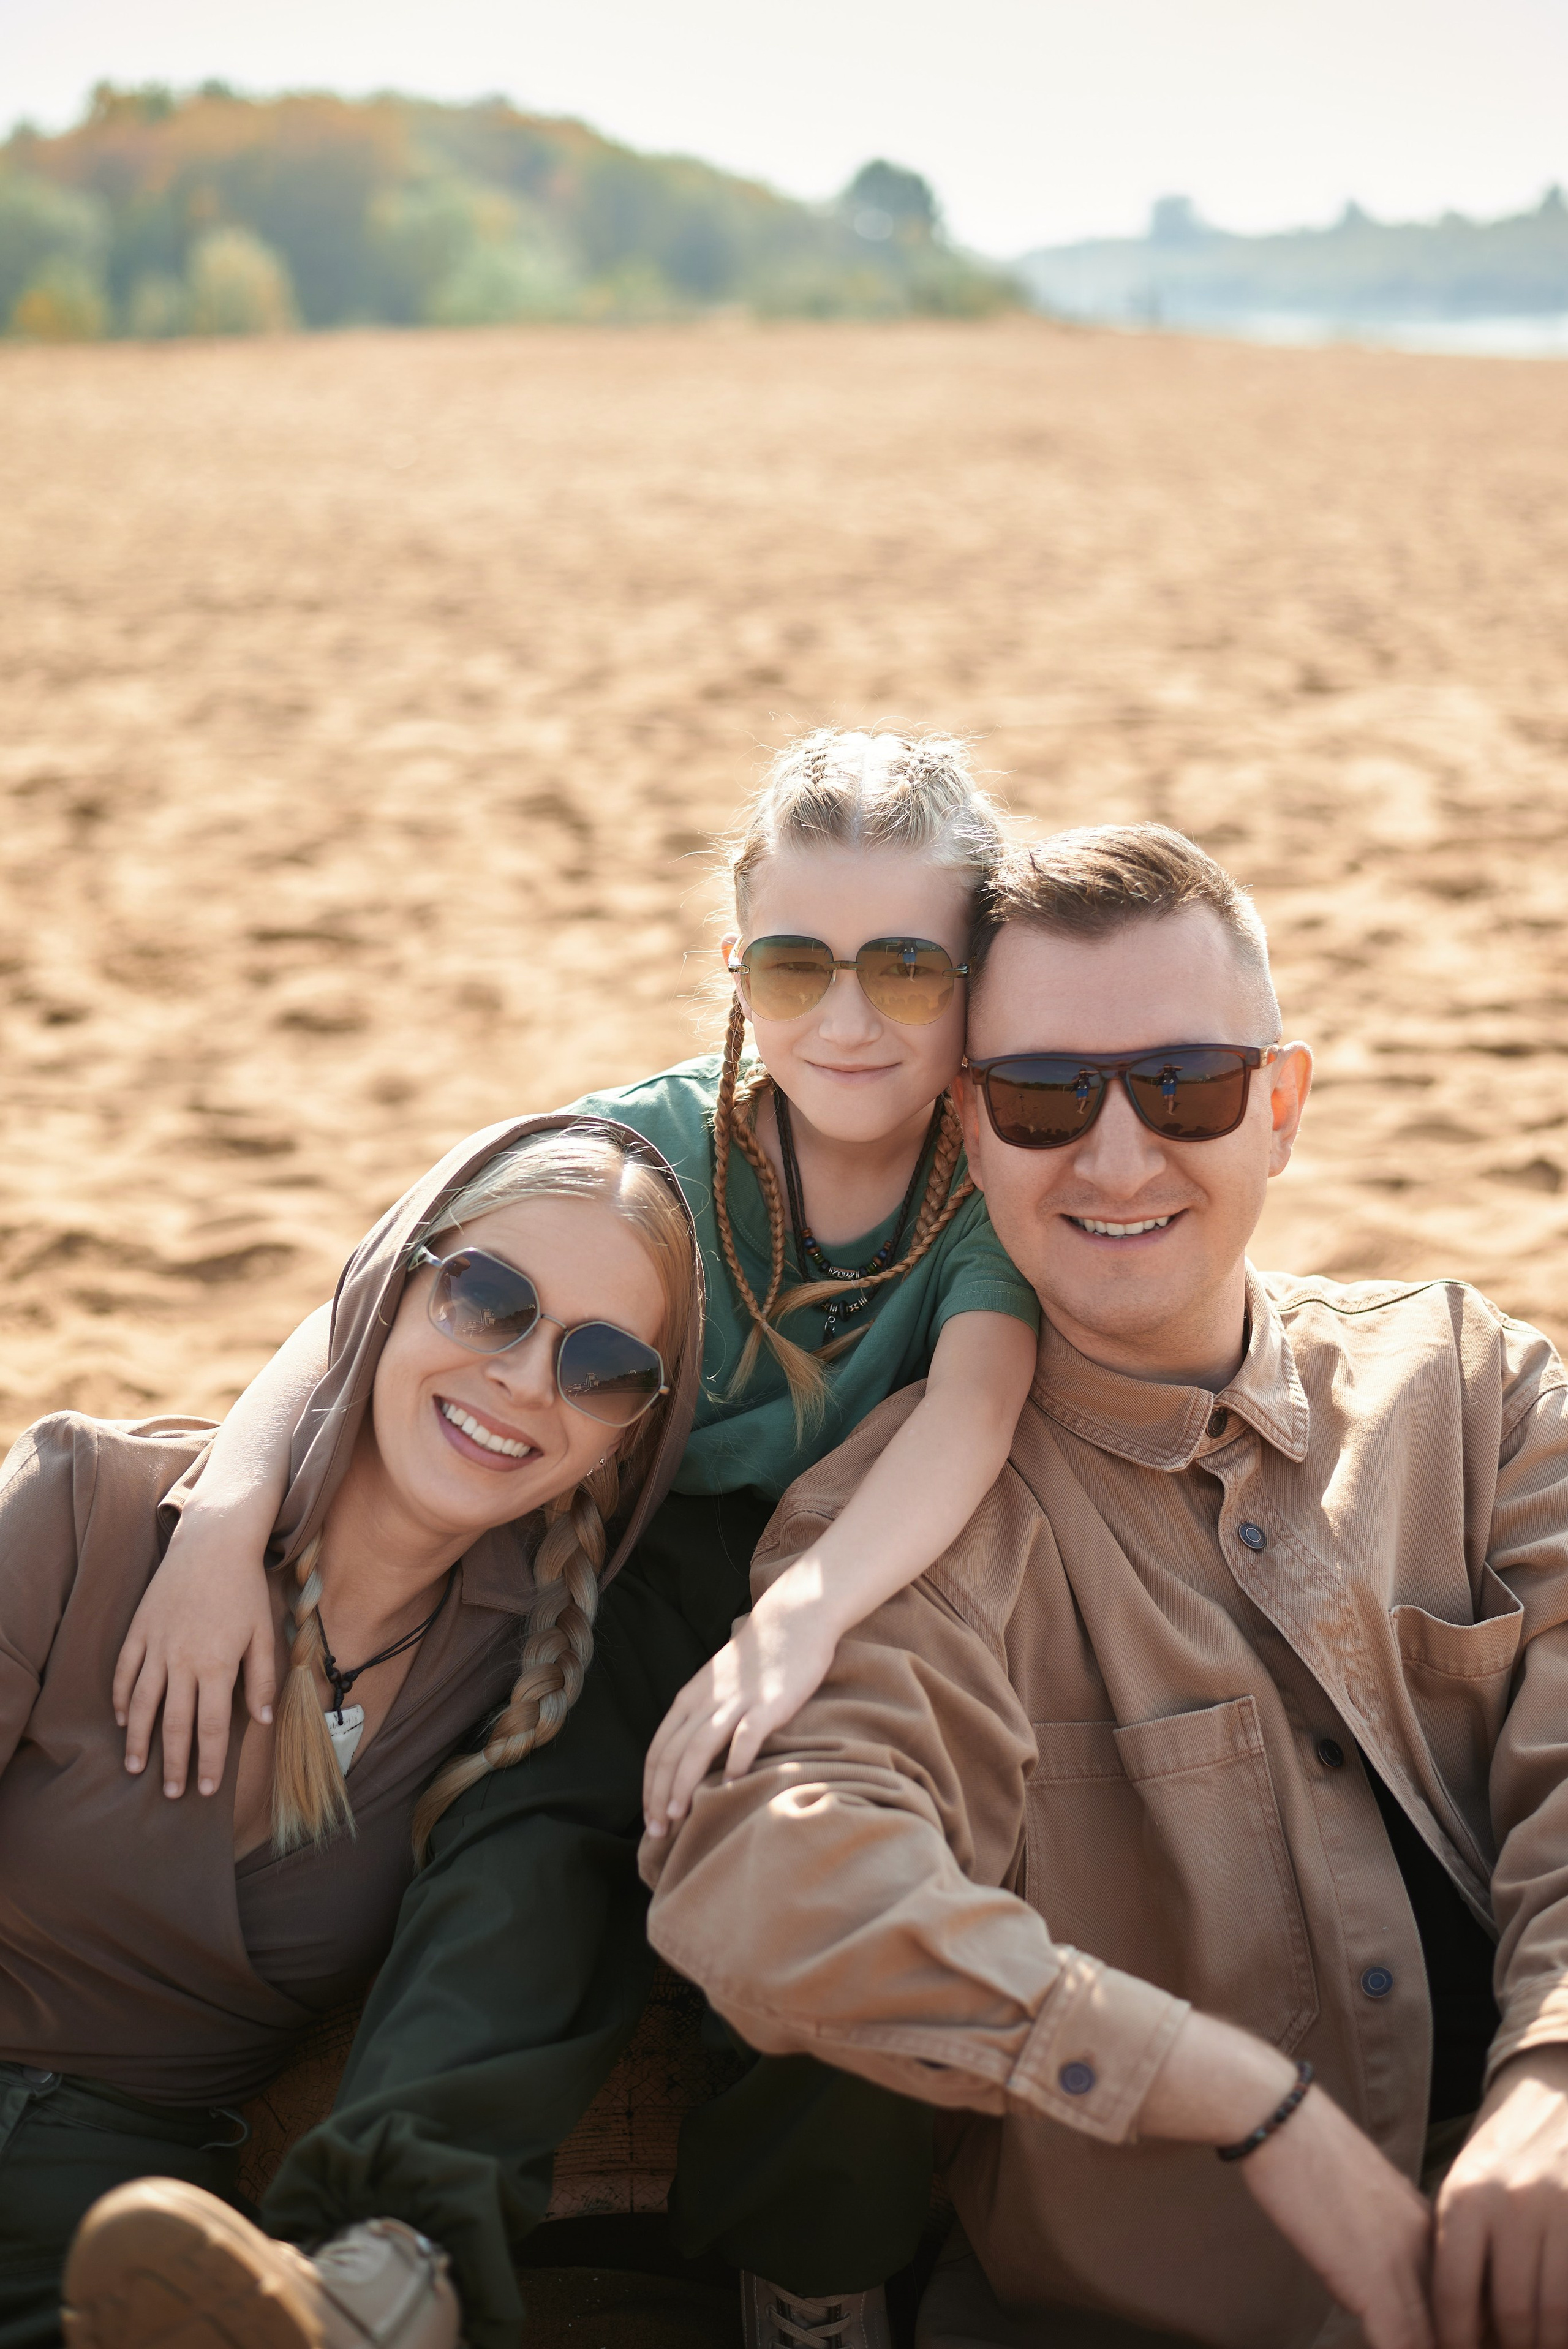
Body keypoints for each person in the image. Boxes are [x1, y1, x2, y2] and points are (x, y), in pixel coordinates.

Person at [76, 731, 1043, 2349]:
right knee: (535, 1824)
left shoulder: (980, 1189)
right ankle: (391, 2257)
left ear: (973, 977)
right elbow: (364, 1308)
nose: (852, 1018)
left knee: (846, 1830)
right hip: (641, 1549)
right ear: (738, 965)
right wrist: (227, 1508)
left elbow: (973, 1408)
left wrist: (803, 1617)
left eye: (908, 967)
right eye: (800, 964)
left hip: (878, 1563)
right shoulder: (650, 1147)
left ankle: (815, 2268)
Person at [641, 824, 1568, 2349]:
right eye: (1043, 1095)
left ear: (1277, 1106)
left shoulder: (1472, 1390)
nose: (1117, 1156)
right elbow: (769, 1876)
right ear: (967, 1130)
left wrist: (1549, 2075)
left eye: (1186, 1085)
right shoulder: (912, 1526)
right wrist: (1241, 2102)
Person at [0, 1113, 703, 2349]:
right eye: (487, 1298)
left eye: (601, 1369)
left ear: (628, 1429)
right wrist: (222, 1526)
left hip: (119, 2210)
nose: (525, 1380)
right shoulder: (82, 1509)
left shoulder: (531, 1685)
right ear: (393, 1287)